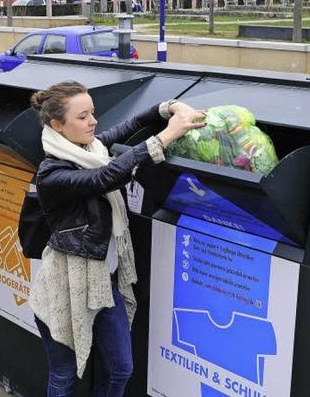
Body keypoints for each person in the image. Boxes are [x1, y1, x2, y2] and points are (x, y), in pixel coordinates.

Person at [29, 81, 205, 396]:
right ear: (57, 125)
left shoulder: (91, 149)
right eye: (83, 117)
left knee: (121, 368)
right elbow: (105, 178)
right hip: (66, 286)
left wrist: (170, 108)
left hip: (104, 282)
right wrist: (166, 137)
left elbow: (130, 125)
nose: (93, 122)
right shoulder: (51, 174)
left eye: (93, 113)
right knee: (64, 374)